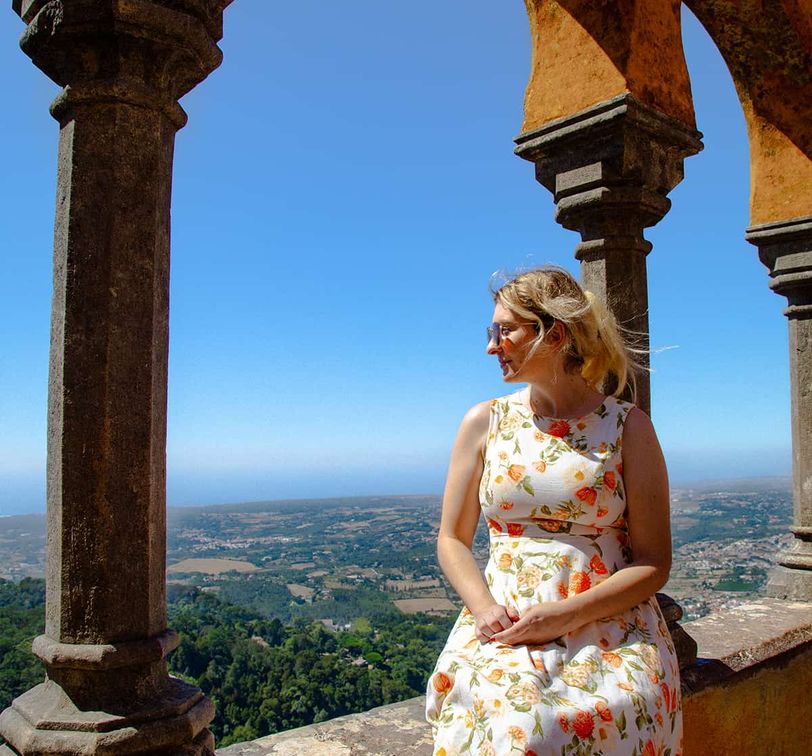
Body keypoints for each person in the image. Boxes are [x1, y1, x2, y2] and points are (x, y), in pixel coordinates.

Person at [425, 266, 681, 756]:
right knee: (513, 727)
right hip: (505, 619)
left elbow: (653, 563)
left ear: (554, 334)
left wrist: (564, 615)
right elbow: (451, 539)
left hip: (608, 622)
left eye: (505, 331)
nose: (491, 346)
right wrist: (484, 610)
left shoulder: (628, 427)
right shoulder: (485, 422)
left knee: (611, 715)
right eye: (491, 331)